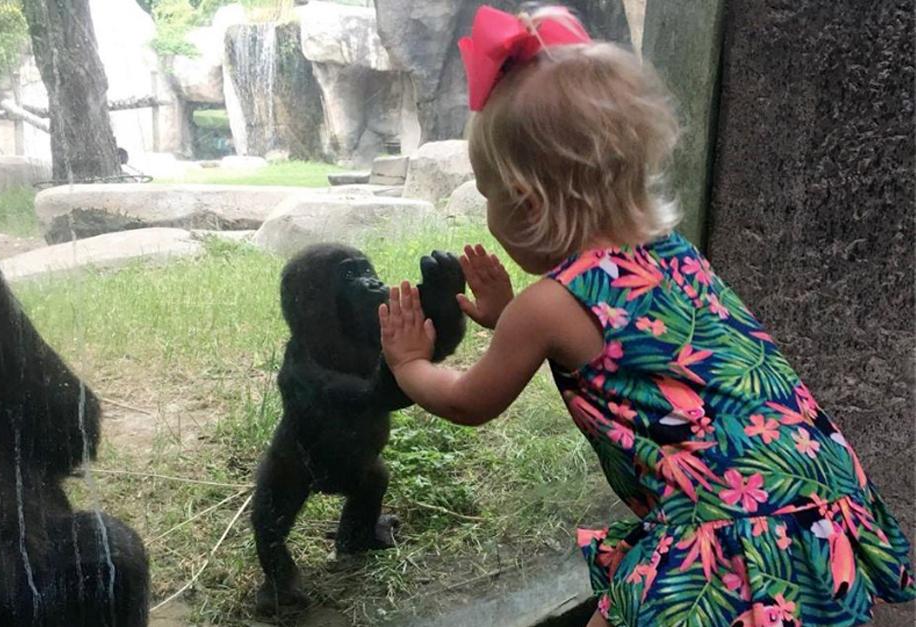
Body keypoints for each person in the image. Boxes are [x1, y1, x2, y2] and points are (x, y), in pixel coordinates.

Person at [378, 5, 916, 626]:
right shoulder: (672, 253)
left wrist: (410, 364)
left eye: (487, 194)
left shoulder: (547, 306)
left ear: (527, 204)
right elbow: (631, 345)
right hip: (814, 490)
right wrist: (511, 322)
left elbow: (469, 402)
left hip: (727, 529)